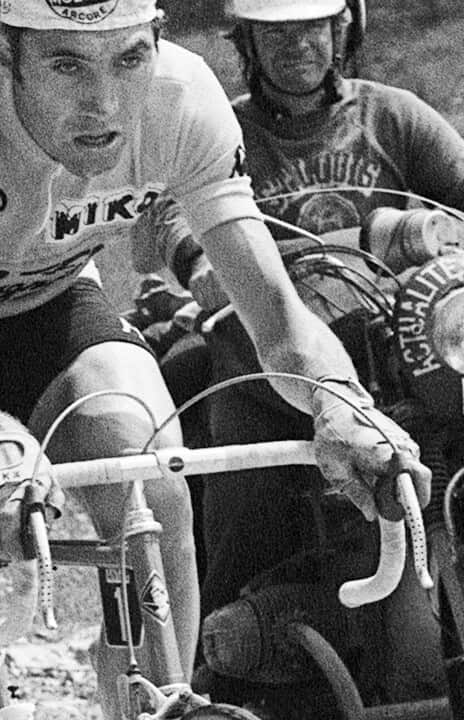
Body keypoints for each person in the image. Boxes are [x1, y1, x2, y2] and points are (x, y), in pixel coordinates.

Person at [0, 0, 433, 718]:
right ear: (2, 51)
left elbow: (278, 320)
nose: (104, 102)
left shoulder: (183, 98)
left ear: (157, 41)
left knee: (151, 477)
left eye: (128, 58)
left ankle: (152, 699)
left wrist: (345, 406)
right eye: (65, 63)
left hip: (41, 306)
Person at [137, 0, 464, 712]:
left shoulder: (394, 117)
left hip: (406, 352)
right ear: (246, 40)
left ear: (345, 28)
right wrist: (372, 237)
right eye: (276, 31)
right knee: (242, 464)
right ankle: (222, 672)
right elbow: (175, 234)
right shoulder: (217, 130)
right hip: (270, 364)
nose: (297, 46)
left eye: (312, 27)